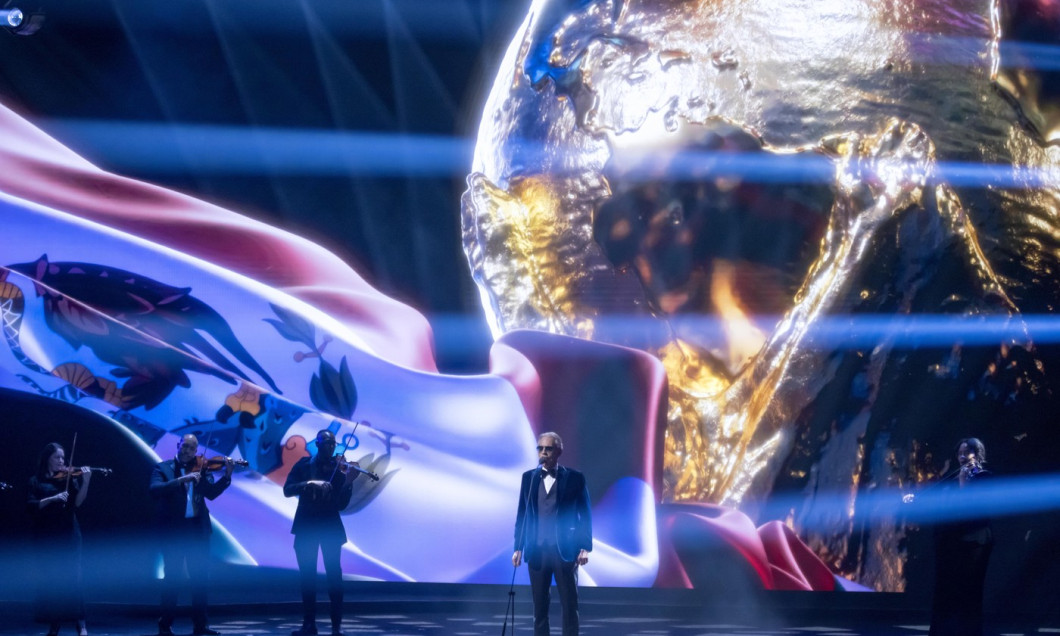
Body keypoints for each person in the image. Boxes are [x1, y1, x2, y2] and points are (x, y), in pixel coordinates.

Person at [149, 434, 233, 636]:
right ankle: (165, 625)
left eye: (191, 448)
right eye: (184, 446)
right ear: (178, 445)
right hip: (174, 533)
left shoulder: (202, 469)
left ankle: (201, 626)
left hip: (198, 531)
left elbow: (211, 494)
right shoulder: (163, 468)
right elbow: (154, 489)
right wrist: (181, 480)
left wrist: (227, 476)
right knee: (173, 580)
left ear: (196, 451)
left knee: (200, 580)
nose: (187, 450)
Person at [512, 432, 592, 636]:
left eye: (548, 448)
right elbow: (522, 514)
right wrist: (518, 547)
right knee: (539, 607)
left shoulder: (575, 478)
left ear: (559, 451)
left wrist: (585, 547)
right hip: (536, 550)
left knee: (569, 605)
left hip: (564, 550)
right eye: (540, 448)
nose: (543, 452)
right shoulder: (528, 478)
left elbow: (585, 514)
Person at [283, 430, 360, 636]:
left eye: (334, 444)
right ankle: (309, 625)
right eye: (327, 443)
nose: (331, 447)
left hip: (329, 528)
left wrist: (348, 482)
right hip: (306, 526)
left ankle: (337, 627)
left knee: (334, 577)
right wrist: (308, 483)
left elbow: (341, 505)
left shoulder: (340, 470)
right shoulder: (303, 465)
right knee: (307, 578)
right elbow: (287, 489)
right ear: (317, 444)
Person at [928, 437, 994, 636]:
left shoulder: (985, 477)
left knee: (969, 590)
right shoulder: (953, 478)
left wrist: (965, 484)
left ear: (978, 454)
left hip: (974, 543)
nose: (962, 457)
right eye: (960, 453)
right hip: (951, 541)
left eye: (967, 452)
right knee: (946, 590)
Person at [26, 443, 93, 636]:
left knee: (74, 578)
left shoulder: (69, 479)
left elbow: (77, 503)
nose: (62, 462)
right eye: (58, 458)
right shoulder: (36, 481)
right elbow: (30, 506)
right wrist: (52, 499)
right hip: (47, 534)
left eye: (63, 458)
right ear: (47, 458)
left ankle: (81, 623)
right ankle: (55, 623)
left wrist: (86, 481)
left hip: (69, 532)